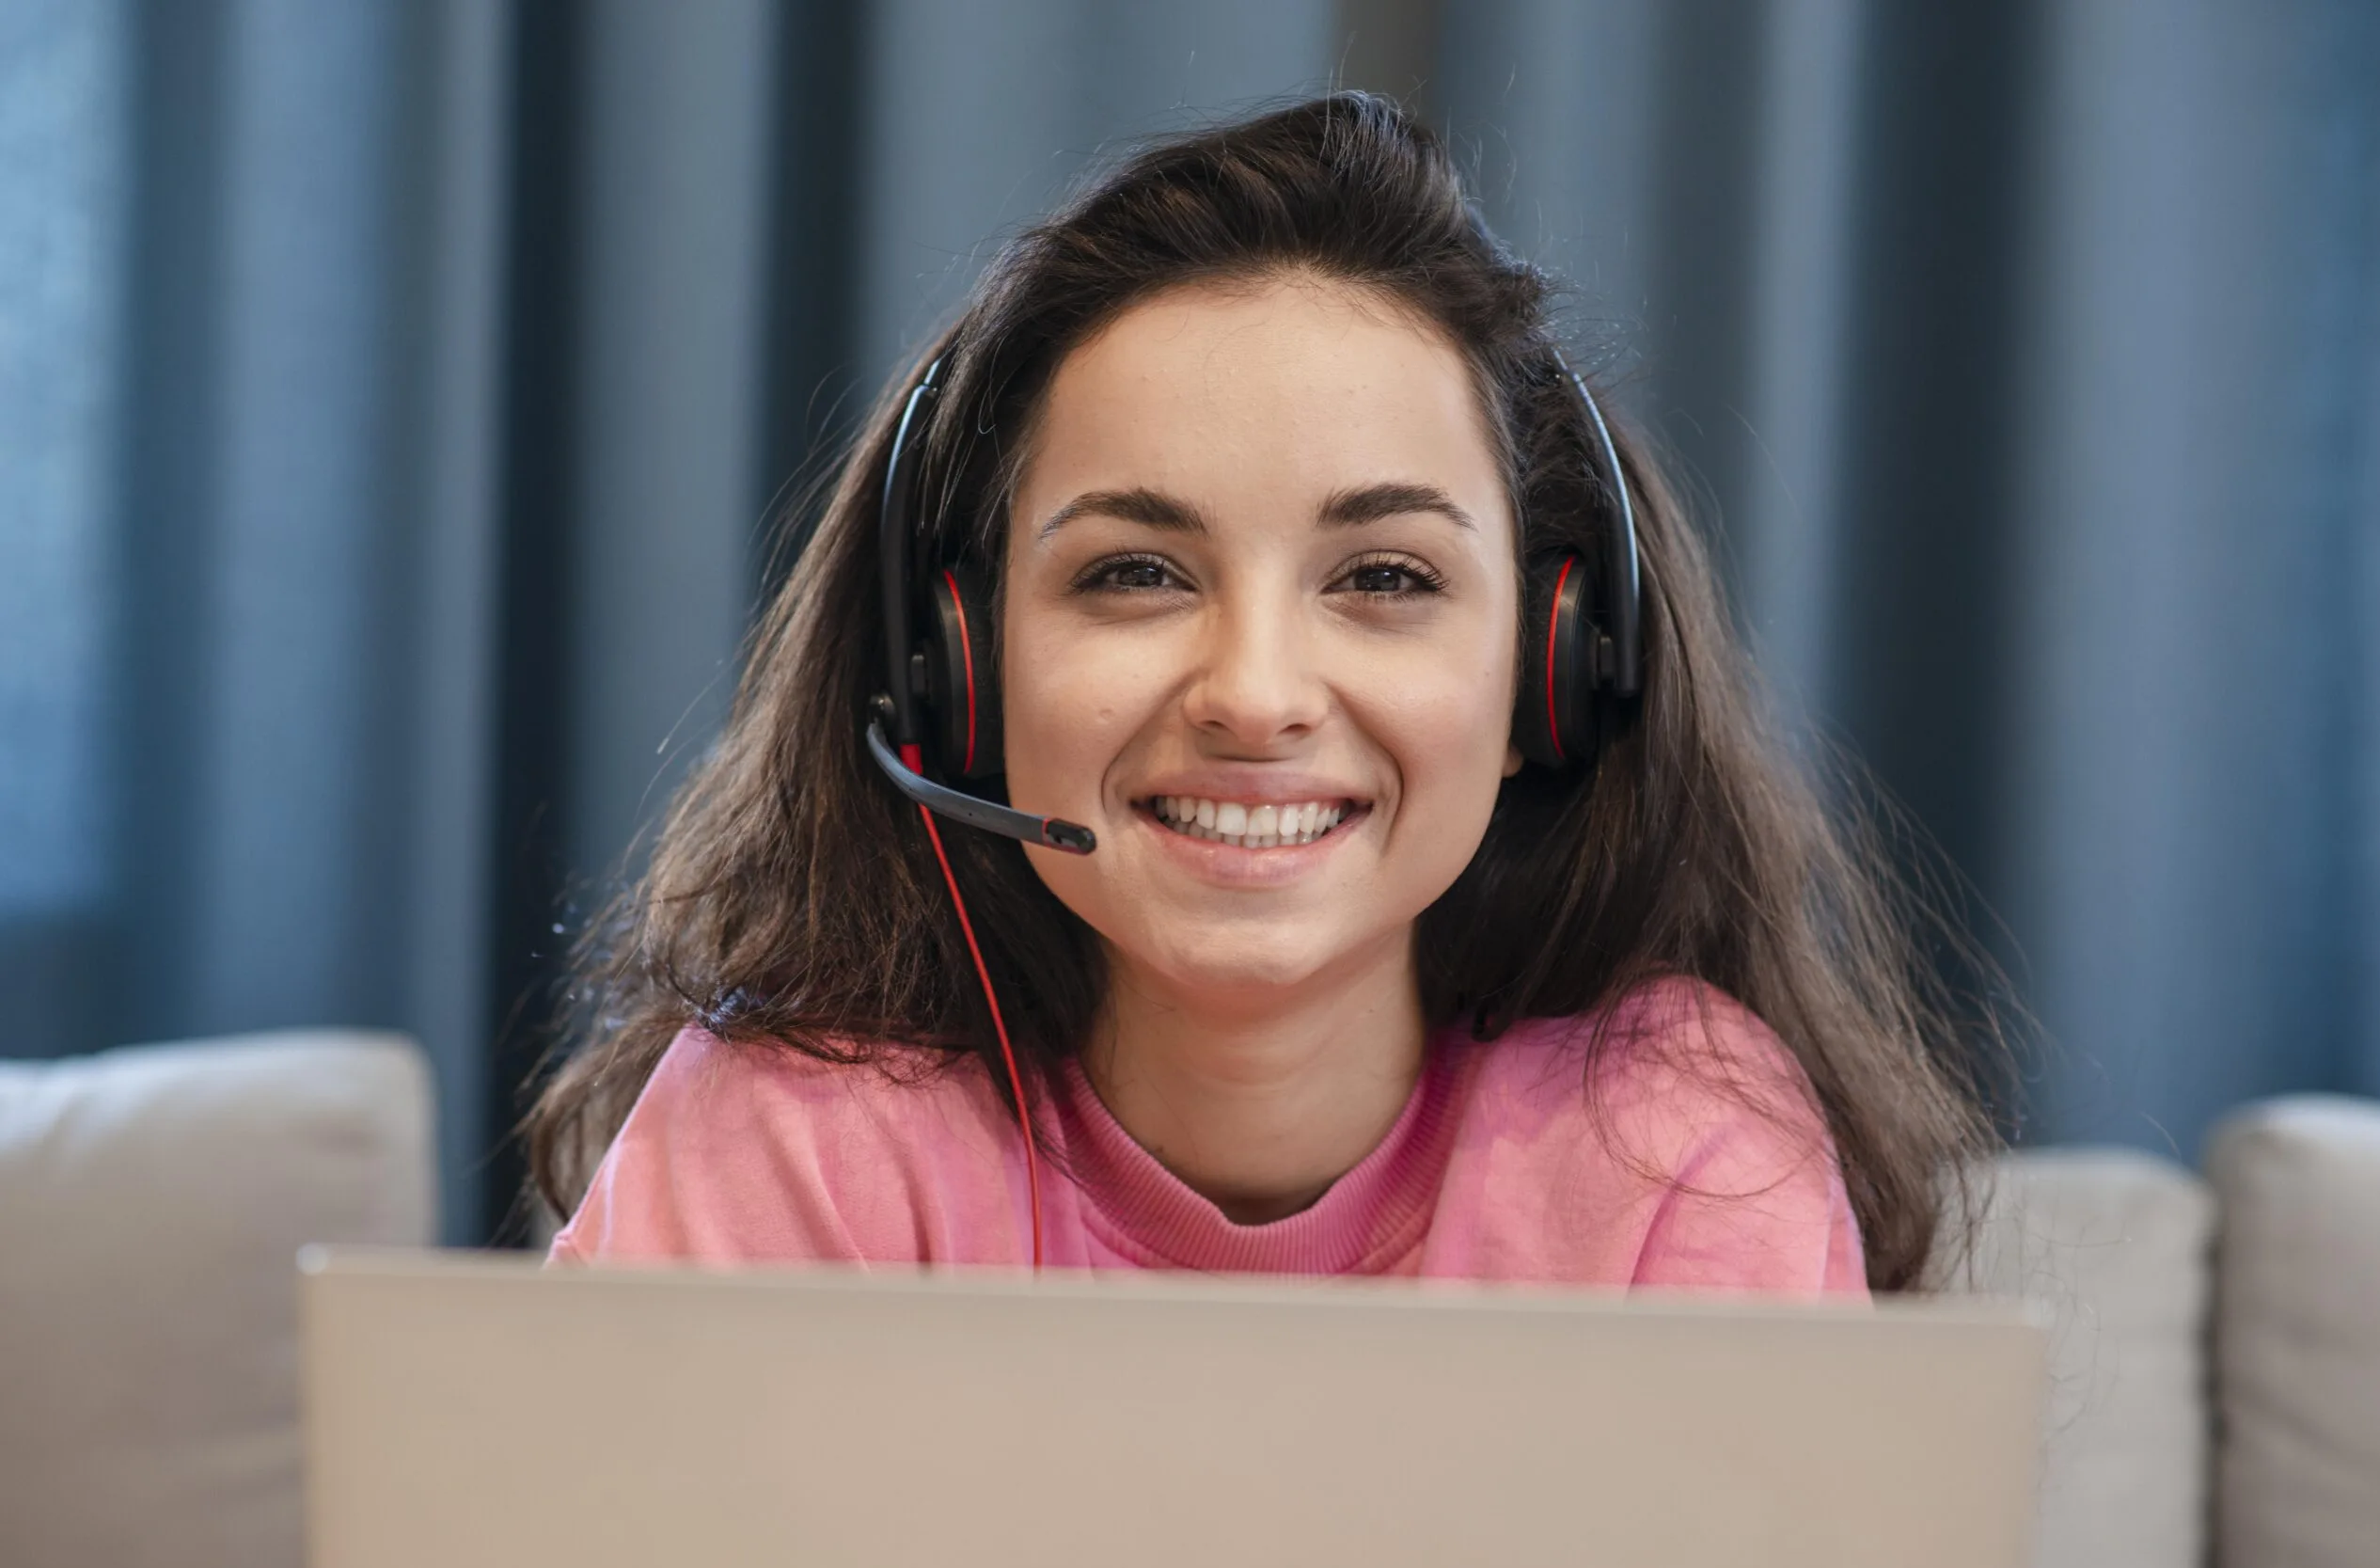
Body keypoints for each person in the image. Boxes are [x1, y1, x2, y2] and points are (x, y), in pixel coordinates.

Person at [530, 92, 1997, 1293]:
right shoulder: (795, 1134)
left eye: (1384, 579)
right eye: (1136, 575)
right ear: (960, 669)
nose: (1255, 694)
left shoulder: (1674, 1155)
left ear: (1553, 668)